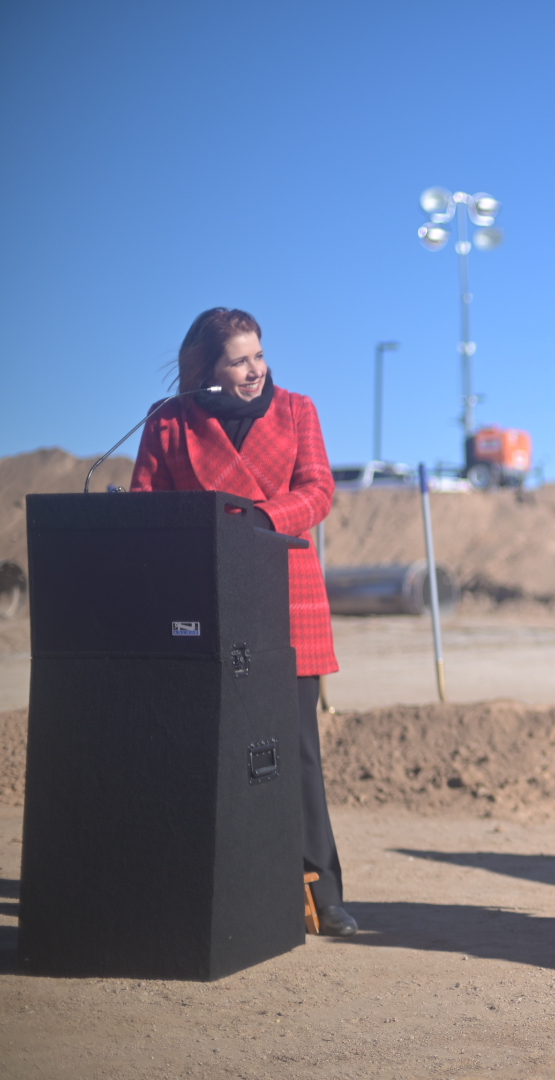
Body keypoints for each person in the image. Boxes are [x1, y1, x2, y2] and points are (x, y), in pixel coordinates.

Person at [131, 307, 357, 937]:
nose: (255, 369)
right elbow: (147, 502)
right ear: (206, 369)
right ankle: (225, 884)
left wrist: (259, 521)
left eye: (259, 355)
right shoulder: (169, 422)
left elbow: (318, 489)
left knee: (298, 753)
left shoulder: (298, 409)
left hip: (289, 595)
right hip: (206, 599)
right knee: (213, 750)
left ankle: (323, 891)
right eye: (239, 359)